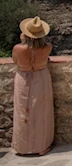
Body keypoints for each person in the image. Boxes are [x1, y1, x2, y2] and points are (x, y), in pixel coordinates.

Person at [11, 17, 54, 156]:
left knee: (22, 111)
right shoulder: (48, 47)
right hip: (41, 77)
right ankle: (41, 146)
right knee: (41, 112)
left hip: (23, 77)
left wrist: (23, 40)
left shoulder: (18, 48)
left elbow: (15, 60)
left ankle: (22, 147)